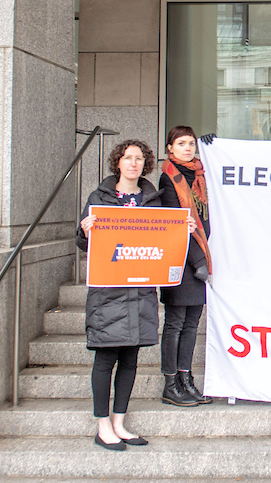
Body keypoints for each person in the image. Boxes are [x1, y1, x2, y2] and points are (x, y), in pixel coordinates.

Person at [76, 139, 161, 450]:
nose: (133, 163)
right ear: (118, 163)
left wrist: (183, 228)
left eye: (139, 158)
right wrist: (86, 231)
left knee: (130, 357)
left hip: (140, 290)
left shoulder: (153, 200)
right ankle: (102, 426)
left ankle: (119, 422)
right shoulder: (99, 198)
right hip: (108, 290)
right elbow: (84, 244)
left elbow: (163, 242)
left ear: (145, 164)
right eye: (128, 158)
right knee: (106, 356)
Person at [156, 126, 213, 408]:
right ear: (170, 148)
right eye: (181, 143)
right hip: (181, 261)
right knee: (175, 323)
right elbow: (175, 225)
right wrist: (198, 261)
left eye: (191, 143)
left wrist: (215, 146)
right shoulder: (168, 179)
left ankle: (186, 379)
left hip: (201, 257)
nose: (188, 148)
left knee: (191, 324)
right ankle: (170, 384)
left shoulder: (202, 175)